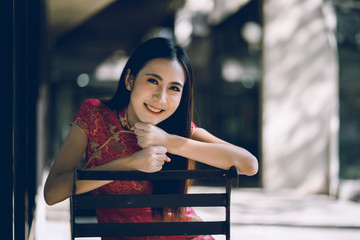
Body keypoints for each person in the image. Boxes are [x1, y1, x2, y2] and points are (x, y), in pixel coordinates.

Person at [44, 37, 258, 240]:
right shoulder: (94, 116)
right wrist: (130, 164)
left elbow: (249, 164)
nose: (161, 97)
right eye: (153, 81)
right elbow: (52, 193)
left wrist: (168, 141)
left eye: (174, 88)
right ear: (130, 79)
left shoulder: (178, 129)